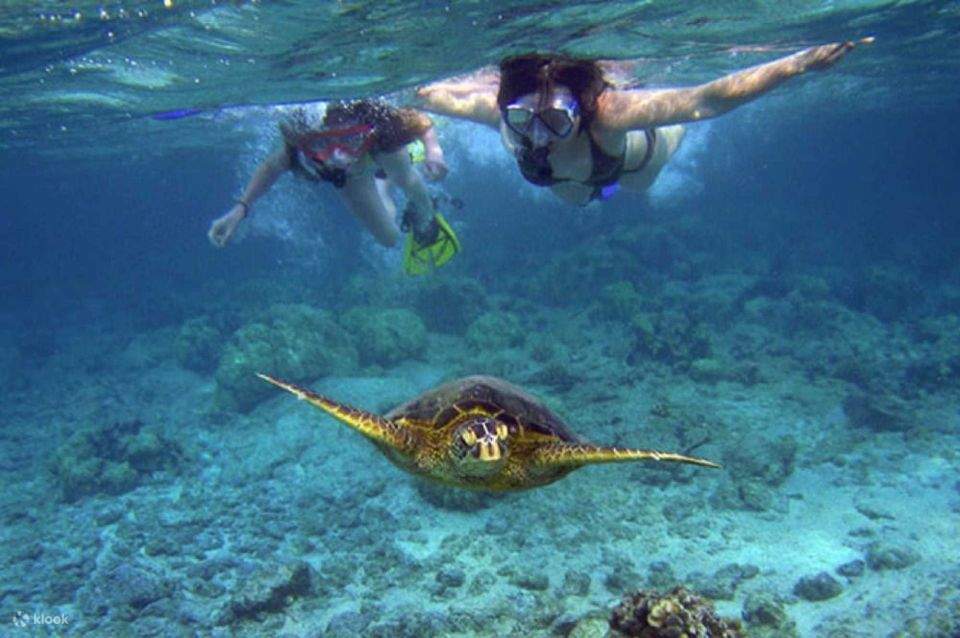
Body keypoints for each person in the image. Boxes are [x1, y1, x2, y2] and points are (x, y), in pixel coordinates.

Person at [414, 39, 872, 206]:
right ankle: (594, 193)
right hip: (573, 182)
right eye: (521, 119)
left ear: (579, 111)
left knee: (640, 181)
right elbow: (430, 95)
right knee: (573, 198)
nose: (537, 135)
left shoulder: (609, 114)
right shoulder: (499, 116)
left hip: (633, 165)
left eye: (555, 121)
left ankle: (673, 150)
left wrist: (796, 66)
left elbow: (703, 102)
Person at [207, 99, 460, 275]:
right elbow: (270, 168)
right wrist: (239, 210)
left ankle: (425, 210)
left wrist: (433, 151)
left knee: (408, 179)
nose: (335, 155)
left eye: (348, 139)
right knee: (389, 238)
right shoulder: (299, 142)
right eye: (320, 145)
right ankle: (382, 184)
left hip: (377, 148)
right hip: (354, 174)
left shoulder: (373, 116)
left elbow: (421, 122)